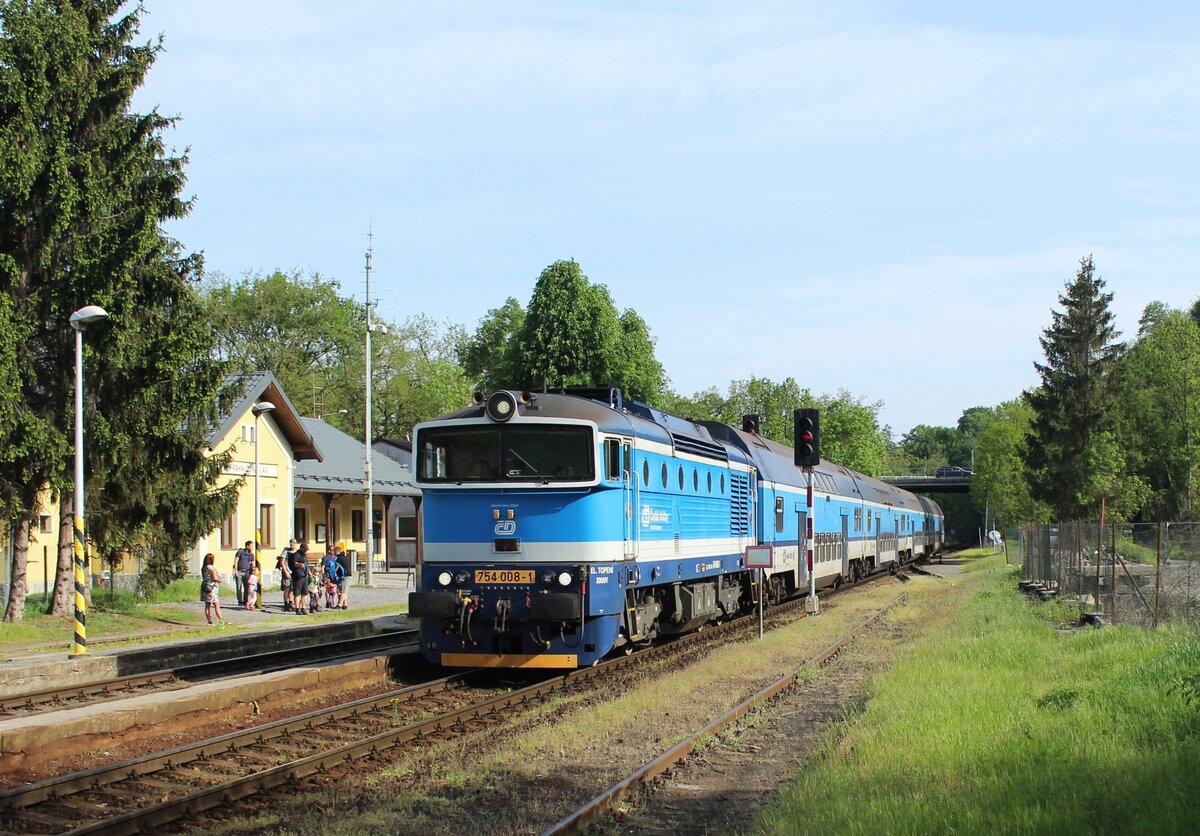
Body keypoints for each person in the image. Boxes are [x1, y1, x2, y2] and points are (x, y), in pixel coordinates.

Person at [201, 553, 223, 625]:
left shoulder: (203, 567)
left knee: (207, 605)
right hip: (212, 587)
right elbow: (215, 578)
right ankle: (221, 620)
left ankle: (209, 621)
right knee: (216, 604)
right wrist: (219, 580)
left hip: (205, 586)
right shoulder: (212, 568)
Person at [290, 543, 310, 615]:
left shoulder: (304, 555)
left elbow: (307, 564)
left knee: (305, 593)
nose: (306, 551)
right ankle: (297, 608)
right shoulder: (296, 554)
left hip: (305, 576)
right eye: (305, 549)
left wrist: (309, 572)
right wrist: (300, 565)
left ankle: (303, 607)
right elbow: (295, 563)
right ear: (301, 548)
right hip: (298, 576)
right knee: (297, 593)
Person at [233, 540, 254, 606]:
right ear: (247, 546)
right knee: (239, 587)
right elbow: (236, 561)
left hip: (247, 572)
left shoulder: (251, 554)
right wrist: (235, 571)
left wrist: (253, 572)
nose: (252, 547)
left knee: (247, 587)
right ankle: (240, 601)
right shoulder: (240, 552)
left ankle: (245, 601)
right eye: (251, 546)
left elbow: (253, 564)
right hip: (239, 571)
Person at [278, 539, 297, 611]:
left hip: (293, 572)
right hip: (287, 571)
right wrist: (285, 572)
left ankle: (291, 603)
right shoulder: (286, 551)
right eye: (291, 544)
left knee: (291, 588)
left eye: (293, 544)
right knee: (286, 588)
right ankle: (286, 603)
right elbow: (282, 562)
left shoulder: (296, 551)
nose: (291, 546)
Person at [335, 544, 352, 610]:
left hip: (345, 576)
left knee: (343, 591)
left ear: (337, 551)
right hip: (348, 575)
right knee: (344, 590)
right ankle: (345, 605)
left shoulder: (339, 559)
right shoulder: (345, 557)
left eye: (334, 551)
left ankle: (339, 604)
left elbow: (336, 568)